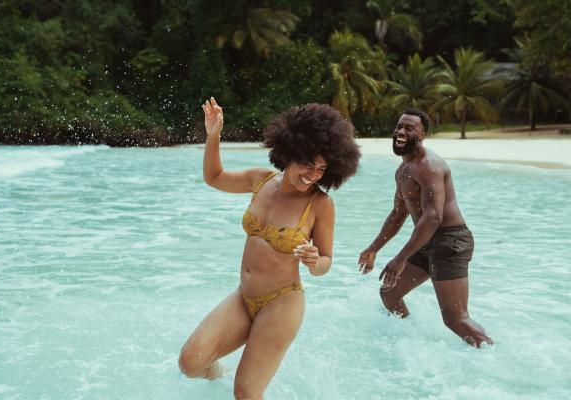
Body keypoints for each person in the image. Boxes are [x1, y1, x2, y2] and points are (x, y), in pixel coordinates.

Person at [179, 98, 360, 399]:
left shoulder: (321, 205)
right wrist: (214, 135)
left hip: (282, 304)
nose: (313, 175)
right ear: (290, 151)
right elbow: (214, 178)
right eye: (307, 164)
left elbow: (325, 261)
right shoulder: (261, 181)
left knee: (246, 394)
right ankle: (218, 378)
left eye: (321, 169)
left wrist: (316, 261)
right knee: (190, 362)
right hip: (243, 296)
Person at [358, 108, 493, 348]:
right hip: (427, 241)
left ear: (422, 135)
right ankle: (409, 344)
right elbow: (398, 213)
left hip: (450, 242)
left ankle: (494, 356)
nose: (400, 131)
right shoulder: (403, 169)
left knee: (455, 320)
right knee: (389, 294)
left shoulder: (429, 166)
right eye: (399, 126)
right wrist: (373, 248)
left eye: (409, 128)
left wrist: (400, 258)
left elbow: (433, 217)